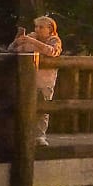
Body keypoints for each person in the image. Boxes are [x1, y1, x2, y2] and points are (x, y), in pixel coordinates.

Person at [9, 15, 63, 146]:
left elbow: (51, 51)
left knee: (43, 109)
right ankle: (23, 135)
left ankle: (40, 136)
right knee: (25, 107)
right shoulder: (31, 38)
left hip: (45, 81)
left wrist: (32, 42)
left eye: (41, 27)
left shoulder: (54, 40)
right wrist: (18, 40)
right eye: (36, 27)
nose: (37, 29)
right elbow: (12, 50)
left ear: (49, 28)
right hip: (28, 80)